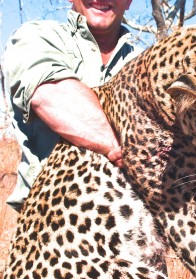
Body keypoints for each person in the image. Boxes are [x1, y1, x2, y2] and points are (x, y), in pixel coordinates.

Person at [1, 0, 143, 212]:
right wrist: (132, 150)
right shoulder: (36, 38)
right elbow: (52, 97)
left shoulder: (146, 61)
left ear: (130, 2)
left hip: (136, 223)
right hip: (54, 220)